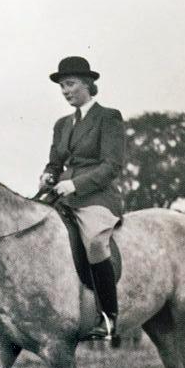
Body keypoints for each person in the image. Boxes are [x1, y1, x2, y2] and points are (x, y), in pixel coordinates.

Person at [40, 56, 125, 339]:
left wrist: (76, 184)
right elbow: (55, 162)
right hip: (62, 194)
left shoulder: (108, 117)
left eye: (70, 84)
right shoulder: (61, 124)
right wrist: (48, 175)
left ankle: (108, 317)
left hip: (96, 196)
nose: (65, 91)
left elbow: (112, 166)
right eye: (62, 86)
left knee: (96, 243)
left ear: (87, 84)